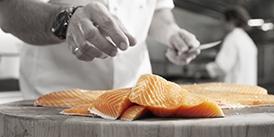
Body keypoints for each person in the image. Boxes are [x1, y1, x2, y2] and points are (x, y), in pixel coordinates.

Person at [0, 0, 200, 99]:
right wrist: (66, 21)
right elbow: (9, 12)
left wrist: (172, 34)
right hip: (57, 105)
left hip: (136, 101)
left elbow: (158, 13)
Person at [206, 6, 258, 85]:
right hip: (249, 89)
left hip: (235, 90)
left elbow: (222, 66)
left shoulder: (232, 38)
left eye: (223, 19)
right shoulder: (248, 40)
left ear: (231, 21)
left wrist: (205, 68)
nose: (221, 23)